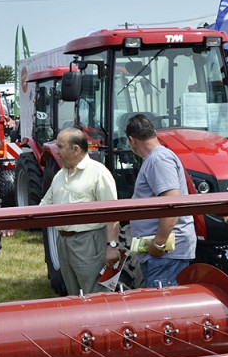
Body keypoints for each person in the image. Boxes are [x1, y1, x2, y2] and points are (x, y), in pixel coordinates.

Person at [40, 127, 120, 294]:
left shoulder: (98, 173)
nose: (57, 151)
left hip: (88, 242)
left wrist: (112, 246)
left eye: (60, 147)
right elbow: (44, 206)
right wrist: (15, 221)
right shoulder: (59, 175)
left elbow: (113, 212)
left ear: (75, 149)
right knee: (73, 295)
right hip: (63, 243)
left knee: (96, 294)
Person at [124, 114, 196, 287]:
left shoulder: (158, 159)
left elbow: (172, 204)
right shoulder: (156, 158)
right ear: (154, 133)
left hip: (166, 254)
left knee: (166, 309)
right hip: (162, 253)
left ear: (132, 140)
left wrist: (158, 244)